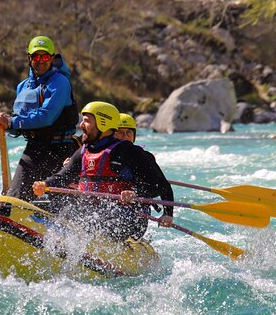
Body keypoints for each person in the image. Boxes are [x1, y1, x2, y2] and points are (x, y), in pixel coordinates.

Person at [33, 102, 174, 242]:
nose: (81, 125)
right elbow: (64, 176)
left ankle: (73, 241)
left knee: (93, 216)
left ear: (103, 123)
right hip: (92, 210)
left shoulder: (129, 151)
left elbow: (161, 185)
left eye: (86, 121)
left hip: (129, 216)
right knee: (44, 203)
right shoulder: (84, 151)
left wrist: (137, 194)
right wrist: (44, 184)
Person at [0, 35, 79, 202]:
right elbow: (20, 120)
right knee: (15, 198)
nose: (41, 60)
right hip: (34, 149)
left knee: (56, 202)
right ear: (29, 58)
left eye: (45, 56)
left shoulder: (60, 83)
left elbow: (47, 117)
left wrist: (12, 122)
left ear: (52, 58)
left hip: (60, 150)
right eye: (36, 56)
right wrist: (5, 122)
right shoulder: (23, 86)